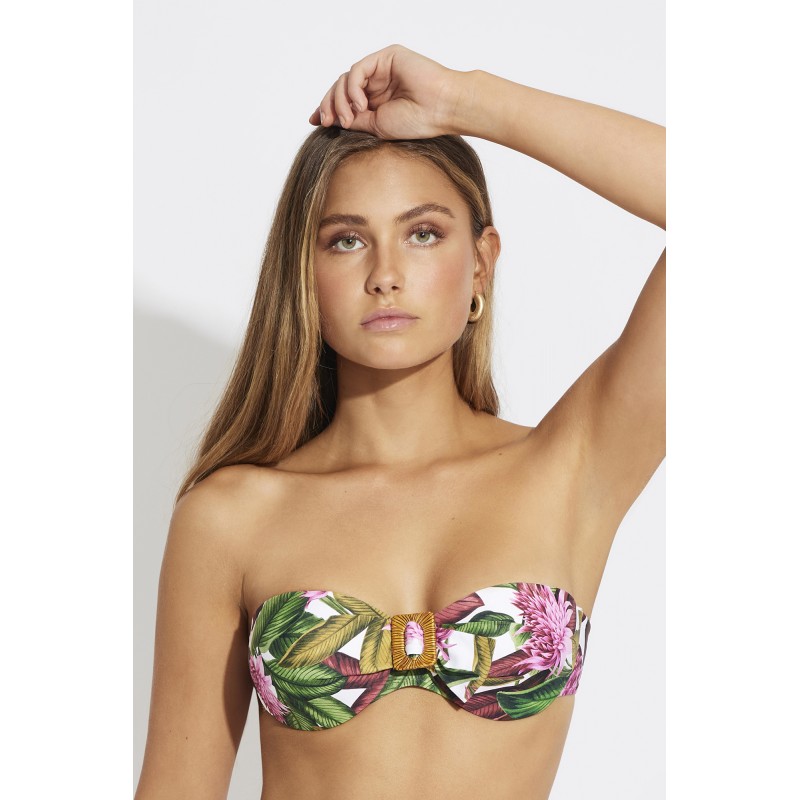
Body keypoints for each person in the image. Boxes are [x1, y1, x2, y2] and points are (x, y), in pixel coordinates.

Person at [135, 43, 665, 799]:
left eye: (423, 234)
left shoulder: (571, 468)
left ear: (481, 263)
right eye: (347, 240)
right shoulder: (229, 518)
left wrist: (468, 102)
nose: (385, 275)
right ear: (305, 274)